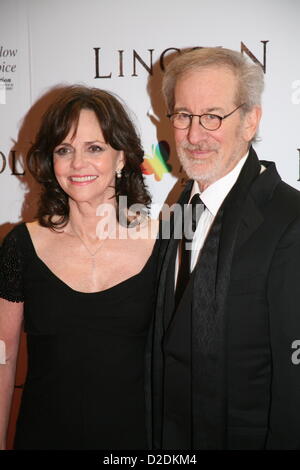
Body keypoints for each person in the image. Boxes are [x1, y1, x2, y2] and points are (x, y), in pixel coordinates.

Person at [148, 47, 300, 450]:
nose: (195, 135)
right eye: (183, 116)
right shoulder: (179, 206)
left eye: (213, 116)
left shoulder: (291, 220)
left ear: (250, 120)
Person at [0, 85, 159, 450]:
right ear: (50, 160)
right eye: (64, 150)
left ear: (121, 158)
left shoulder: (165, 245)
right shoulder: (21, 247)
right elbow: (3, 358)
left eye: (95, 148)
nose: (77, 164)